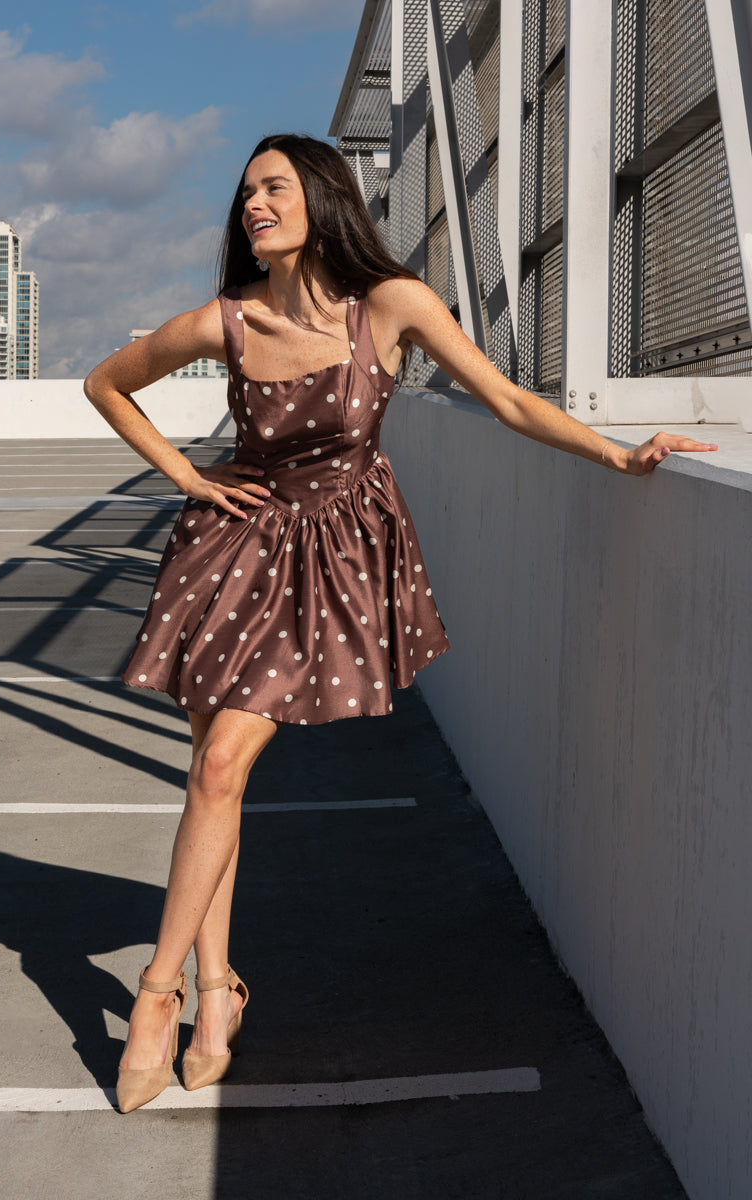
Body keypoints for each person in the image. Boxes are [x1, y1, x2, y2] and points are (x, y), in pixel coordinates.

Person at [83, 132, 717, 1113]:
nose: (253, 204)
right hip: (232, 549)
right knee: (218, 767)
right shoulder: (229, 321)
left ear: (321, 197)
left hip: (329, 557)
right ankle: (212, 994)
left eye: (273, 188)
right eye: (245, 191)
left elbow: (506, 397)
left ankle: (156, 991)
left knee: (218, 769)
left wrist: (617, 455)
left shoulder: (390, 306)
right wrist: (187, 478)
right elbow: (107, 382)